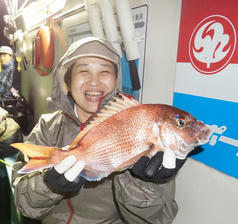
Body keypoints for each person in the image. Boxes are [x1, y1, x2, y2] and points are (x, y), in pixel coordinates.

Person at [12, 37, 186, 223]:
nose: (94, 82)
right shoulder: (47, 126)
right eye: (83, 71)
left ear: (116, 81)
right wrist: (48, 185)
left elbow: (156, 220)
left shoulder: (144, 130)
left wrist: (143, 184)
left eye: (104, 71)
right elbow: (23, 204)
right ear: (68, 82)